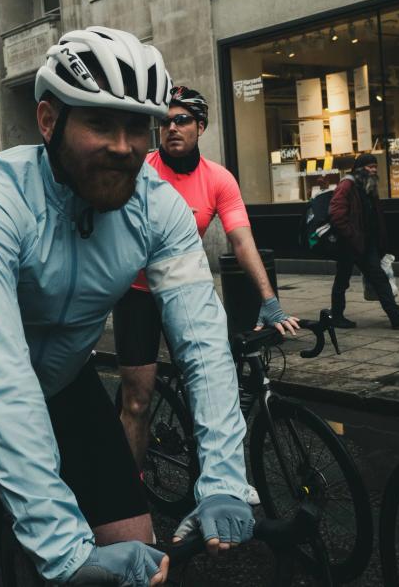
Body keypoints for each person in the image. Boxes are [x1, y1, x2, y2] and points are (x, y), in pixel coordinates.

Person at [0, 27, 253, 587]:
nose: (123, 147)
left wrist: (223, 479)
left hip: (67, 386)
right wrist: (64, 550)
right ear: (49, 121)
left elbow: (202, 344)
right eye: (100, 123)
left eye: (137, 127)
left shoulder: (158, 208)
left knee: (139, 559)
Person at [113, 85, 298, 471]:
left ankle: (214, 480)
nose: (171, 128)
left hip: (184, 291)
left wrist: (270, 301)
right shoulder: (140, 170)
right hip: (137, 293)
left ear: (201, 126)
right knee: (137, 400)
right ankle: (129, 489)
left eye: (182, 120)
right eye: (164, 122)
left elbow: (242, 241)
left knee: (210, 392)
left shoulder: (218, 179)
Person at [329, 153, 399, 329]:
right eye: (370, 167)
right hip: (349, 244)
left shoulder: (368, 185)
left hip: (366, 243)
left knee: (379, 278)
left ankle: (395, 315)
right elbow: (336, 214)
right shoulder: (347, 185)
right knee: (342, 280)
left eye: (375, 167)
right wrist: (352, 235)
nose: (374, 170)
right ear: (359, 168)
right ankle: (336, 316)